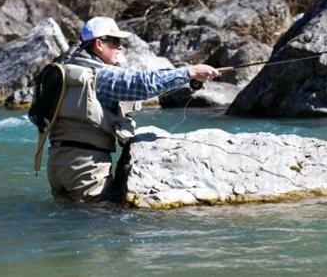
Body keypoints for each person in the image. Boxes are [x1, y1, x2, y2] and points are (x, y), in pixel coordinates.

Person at [43, 16, 219, 202]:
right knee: (97, 226)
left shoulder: (66, 71)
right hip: (86, 167)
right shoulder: (102, 77)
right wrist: (189, 72)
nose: (120, 46)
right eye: (115, 41)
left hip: (56, 163)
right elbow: (143, 85)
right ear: (99, 44)